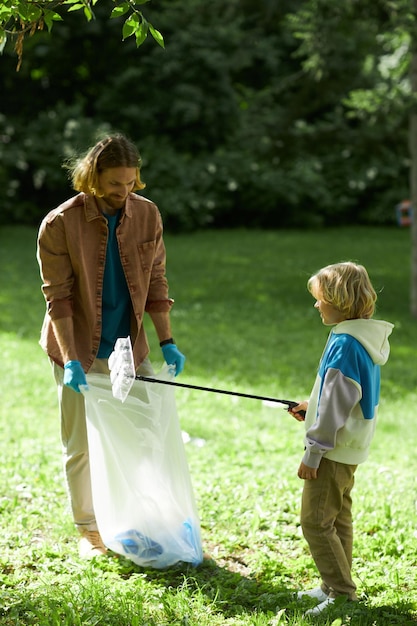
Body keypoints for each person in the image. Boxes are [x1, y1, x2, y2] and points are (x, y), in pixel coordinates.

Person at [36, 133, 185, 558]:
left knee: (143, 432)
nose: (124, 193)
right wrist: (70, 361)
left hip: (129, 348)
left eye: (131, 183)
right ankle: (89, 529)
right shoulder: (60, 223)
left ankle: (139, 517)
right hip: (77, 348)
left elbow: (157, 279)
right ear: (93, 177)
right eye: (115, 184)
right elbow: (58, 297)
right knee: (80, 444)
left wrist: (167, 341)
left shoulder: (147, 215)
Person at [288, 262, 393, 616]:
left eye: (320, 299)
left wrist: (314, 452)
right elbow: (339, 396)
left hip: (331, 452)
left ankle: (341, 594)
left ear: (338, 300)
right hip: (349, 446)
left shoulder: (346, 343)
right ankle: (333, 585)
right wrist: (310, 404)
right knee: (337, 518)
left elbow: (335, 404)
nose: (317, 305)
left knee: (315, 522)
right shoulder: (361, 336)